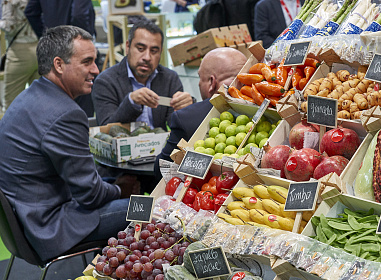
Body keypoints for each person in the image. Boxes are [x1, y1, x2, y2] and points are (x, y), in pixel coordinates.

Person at [0, 25, 140, 262]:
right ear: (58, 65)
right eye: (87, 62)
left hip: (22, 220)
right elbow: (91, 196)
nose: (95, 70)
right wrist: (121, 189)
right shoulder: (65, 113)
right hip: (46, 228)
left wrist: (109, 185)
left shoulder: (30, 96)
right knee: (149, 208)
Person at [153, 47, 247, 181]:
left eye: (199, 78)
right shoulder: (266, 105)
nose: (198, 83)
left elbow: (162, 169)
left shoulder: (185, 119)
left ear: (211, 82)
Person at [92, 20, 193, 130]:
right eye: (140, 49)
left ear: (161, 53)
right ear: (127, 47)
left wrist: (186, 108)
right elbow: (107, 128)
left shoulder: (169, 78)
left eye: (154, 51)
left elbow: (176, 126)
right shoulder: (106, 81)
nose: (147, 57)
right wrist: (131, 102)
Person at [0, 0, 38, 110]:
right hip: (40, 47)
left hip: (19, 51)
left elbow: (9, 26)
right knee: (39, 102)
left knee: (11, 106)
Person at [24, 0, 96, 38]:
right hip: (74, 40)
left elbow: (30, 12)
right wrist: (84, 37)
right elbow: (79, 14)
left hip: (53, 40)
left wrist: (45, 35)